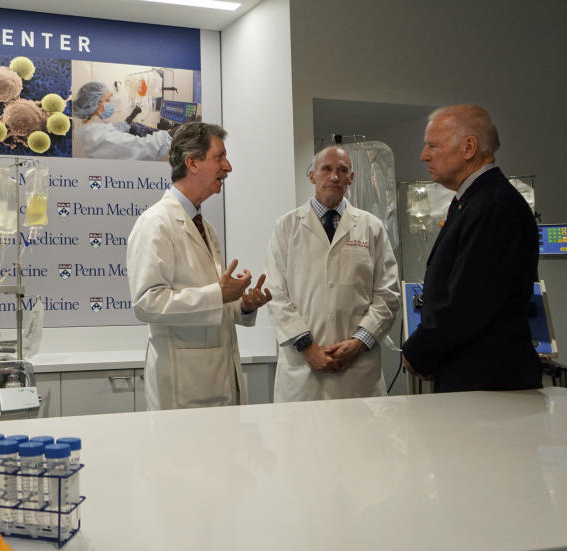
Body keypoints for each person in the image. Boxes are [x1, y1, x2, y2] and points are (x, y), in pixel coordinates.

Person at [126, 122, 272, 410]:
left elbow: (211, 301)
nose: (228, 167)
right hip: (183, 387)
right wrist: (219, 294)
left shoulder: (205, 227)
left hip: (218, 379)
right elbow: (146, 304)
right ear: (191, 162)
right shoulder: (156, 223)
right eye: (219, 157)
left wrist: (241, 305)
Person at [401, 104, 541, 392]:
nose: (423, 155)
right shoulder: (474, 201)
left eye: (432, 145)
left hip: (488, 383)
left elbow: (468, 301)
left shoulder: (493, 206)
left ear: (468, 147)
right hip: (471, 375)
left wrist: (418, 352)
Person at [265, 146, 400, 402]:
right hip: (303, 369)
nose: (334, 177)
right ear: (312, 176)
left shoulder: (371, 227)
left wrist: (360, 341)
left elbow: (388, 294)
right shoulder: (286, 227)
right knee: (304, 441)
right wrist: (308, 347)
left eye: (342, 170)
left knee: (359, 440)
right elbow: (276, 294)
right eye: (326, 169)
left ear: (352, 177)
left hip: (357, 369)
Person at [71, 81, 172, 160]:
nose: (111, 103)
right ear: (93, 104)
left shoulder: (89, 125)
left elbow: (114, 130)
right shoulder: (99, 136)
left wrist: (130, 117)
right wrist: (170, 135)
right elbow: (139, 148)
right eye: (107, 100)